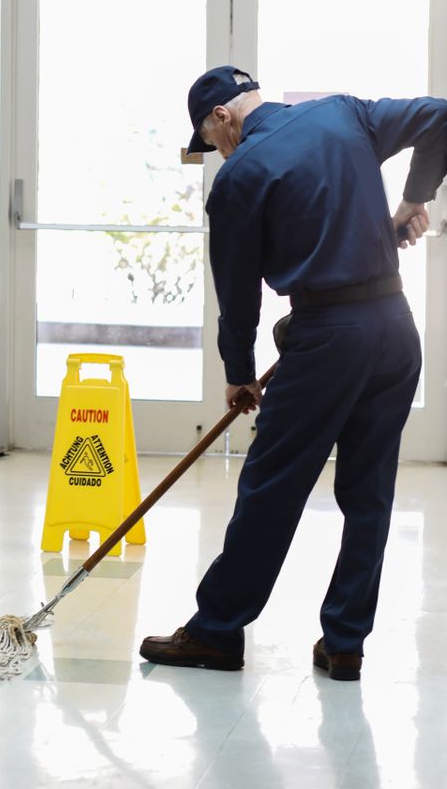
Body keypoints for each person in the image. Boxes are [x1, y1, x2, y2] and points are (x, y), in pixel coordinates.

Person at [140, 65, 447, 680]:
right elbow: (441, 113)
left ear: (223, 116)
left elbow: (239, 296)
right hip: (394, 328)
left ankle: (217, 633)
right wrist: (415, 200)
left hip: (327, 339)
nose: (216, 151)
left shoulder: (239, 178)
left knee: (271, 488)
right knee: (369, 491)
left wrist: (239, 373)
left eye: (210, 138)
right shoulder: (345, 112)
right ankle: (345, 642)